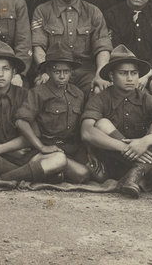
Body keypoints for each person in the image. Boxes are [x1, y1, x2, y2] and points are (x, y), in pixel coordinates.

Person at [80, 45, 152, 198]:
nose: (129, 78)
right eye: (123, 73)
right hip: (114, 162)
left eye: (134, 73)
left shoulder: (146, 98)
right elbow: (86, 132)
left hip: (145, 155)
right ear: (112, 76)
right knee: (102, 124)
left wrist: (145, 142)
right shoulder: (100, 99)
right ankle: (149, 173)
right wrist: (125, 147)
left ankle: (135, 174)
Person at [0, 43, 66, 182]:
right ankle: (29, 175)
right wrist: (3, 150)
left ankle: (1, 178)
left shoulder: (24, 94)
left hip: (22, 156)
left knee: (59, 159)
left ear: (13, 73)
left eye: (6, 69)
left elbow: (33, 134)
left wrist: (3, 148)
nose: (0, 74)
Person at [31, 0, 113, 91]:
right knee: (43, 89)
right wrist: (45, 71)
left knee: (99, 89)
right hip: (55, 71)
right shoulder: (42, 11)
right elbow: (38, 46)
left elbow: (103, 47)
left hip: (85, 71)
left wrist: (100, 74)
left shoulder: (93, 11)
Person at [14, 47, 93, 182]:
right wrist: (41, 147)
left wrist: (90, 152)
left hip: (71, 147)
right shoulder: (38, 93)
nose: (62, 76)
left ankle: (53, 173)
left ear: (71, 72)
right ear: (48, 71)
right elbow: (21, 121)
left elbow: (82, 127)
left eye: (66, 72)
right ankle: (9, 178)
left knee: (97, 174)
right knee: (81, 173)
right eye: (57, 71)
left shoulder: (78, 94)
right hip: (46, 148)